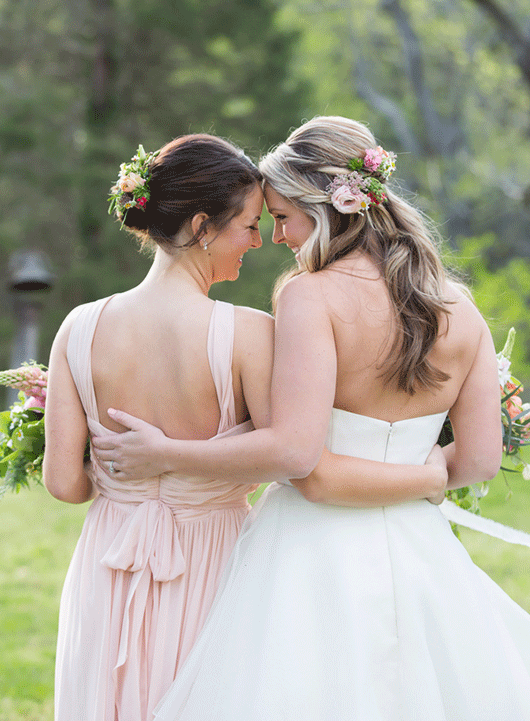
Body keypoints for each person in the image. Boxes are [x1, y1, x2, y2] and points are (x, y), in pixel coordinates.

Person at [92, 116, 530, 720]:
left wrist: (168, 453)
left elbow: (307, 467)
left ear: (324, 210)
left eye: (281, 217)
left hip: (309, 556)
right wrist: (429, 479)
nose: (275, 236)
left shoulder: (309, 295)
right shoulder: (459, 307)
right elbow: (477, 460)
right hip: (420, 551)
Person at [43, 134, 273, 720]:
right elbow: (285, 457)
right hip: (213, 555)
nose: (258, 240)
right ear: (202, 226)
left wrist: (125, 478)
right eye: (247, 225)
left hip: (109, 558)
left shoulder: (79, 326)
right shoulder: (249, 334)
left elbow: (64, 485)